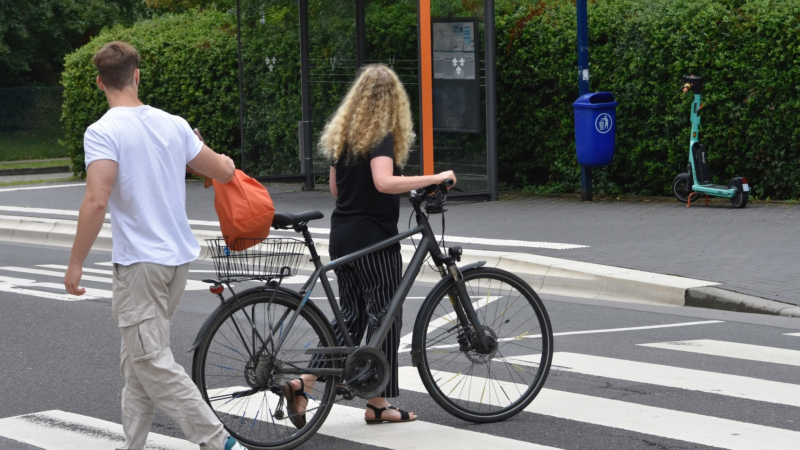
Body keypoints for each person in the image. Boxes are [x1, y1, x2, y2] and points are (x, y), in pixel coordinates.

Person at [62, 41, 246, 450]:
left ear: (99, 82)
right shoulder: (173, 124)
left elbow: (96, 199)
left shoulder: (103, 131)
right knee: (138, 361)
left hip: (140, 266)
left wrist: (75, 264)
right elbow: (219, 169)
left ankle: (219, 442)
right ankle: (133, 445)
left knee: (150, 360)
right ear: (137, 75)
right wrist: (226, 162)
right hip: (177, 262)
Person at [282, 64, 456, 427]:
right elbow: (382, 181)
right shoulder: (380, 135)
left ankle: (374, 404)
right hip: (373, 238)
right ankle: (310, 383)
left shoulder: (343, 136)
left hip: (343, 232)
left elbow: (335, 189)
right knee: (387, 315)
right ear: (394, 101)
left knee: (354, 316)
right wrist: (435, 177)